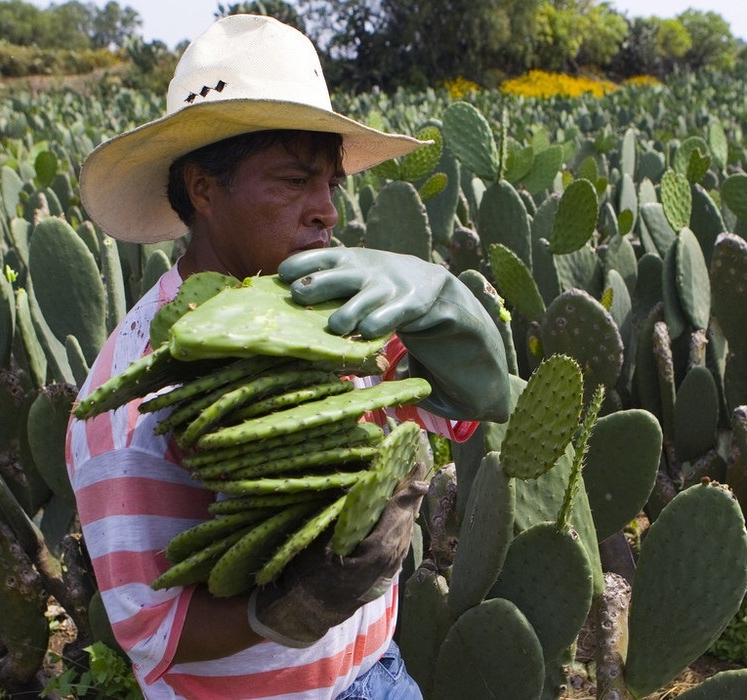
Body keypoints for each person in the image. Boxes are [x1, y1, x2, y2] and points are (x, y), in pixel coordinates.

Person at [67, 14, 510, 699]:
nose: (325, 210)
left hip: (382, 672)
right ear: (203, 188)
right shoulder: (128, 403)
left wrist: (448, 312)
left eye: (331, 182)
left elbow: (461, 412)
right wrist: (295, 602)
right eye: (293, 181)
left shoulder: (341, 311)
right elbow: (155, 632)